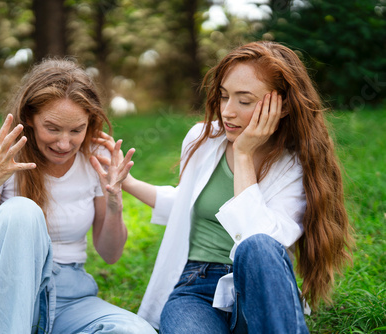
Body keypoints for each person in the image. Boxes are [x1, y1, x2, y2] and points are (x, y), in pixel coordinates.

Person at [96, 41, 353, 333]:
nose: (228, 112)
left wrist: (243, 155)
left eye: (244, 101)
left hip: (256, 289)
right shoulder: (202, 139)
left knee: (257, 245)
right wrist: (126, 182)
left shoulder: (296, 165)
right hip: (194, 289)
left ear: (281, 106)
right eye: (224, 96)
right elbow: (187, 203)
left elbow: (259, 244)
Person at [0, 59, 156, 334]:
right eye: (53, 128)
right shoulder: (1, 153)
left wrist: (115, 201)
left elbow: (110, 254)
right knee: (21, 210)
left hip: (68, 299)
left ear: (89, 123)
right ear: (30, 118)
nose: (64, 143)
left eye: (76, 130)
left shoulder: (95, 157)